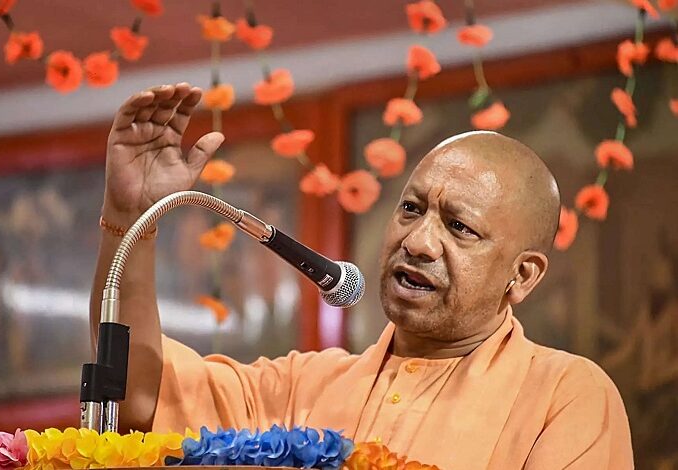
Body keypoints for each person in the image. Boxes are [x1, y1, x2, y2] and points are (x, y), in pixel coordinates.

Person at [90, 83, 633, 469]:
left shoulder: (563, 395)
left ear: (523, 276)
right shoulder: (302, 386)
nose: (417, 242)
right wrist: (130, 214)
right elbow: (139, 395)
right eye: (411, 209)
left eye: (459, 227)